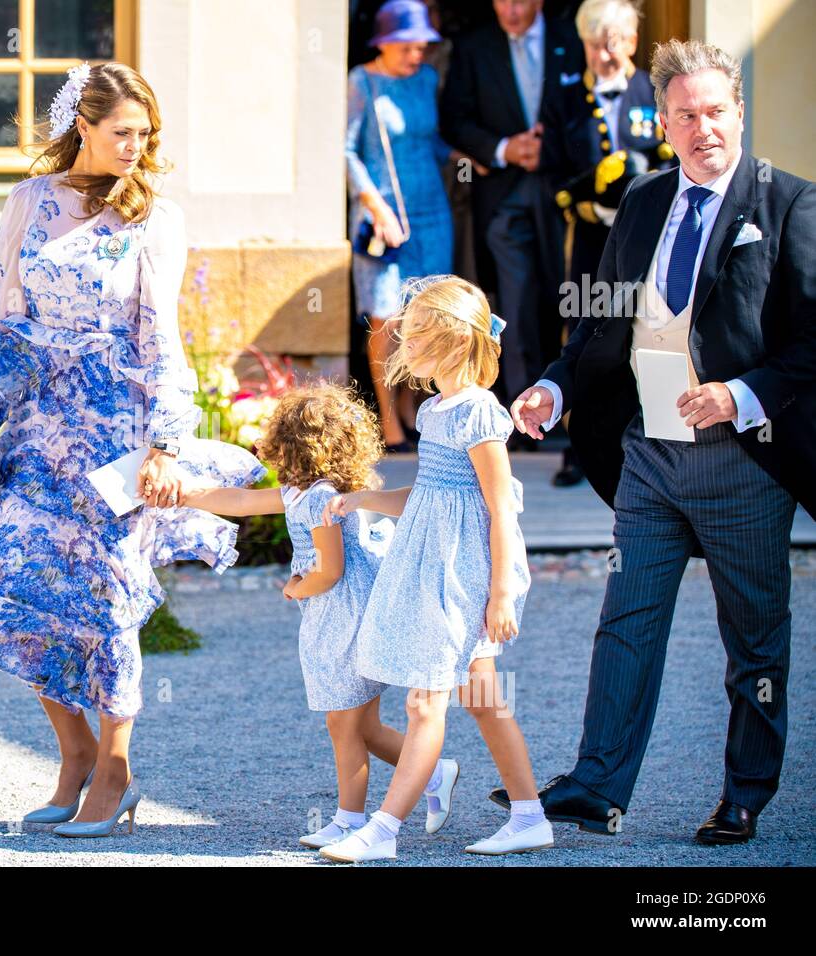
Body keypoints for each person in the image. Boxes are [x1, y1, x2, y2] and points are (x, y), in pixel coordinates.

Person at [509, 39, 816, 845]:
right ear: (666, 121)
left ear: (738, 112)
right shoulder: (644, 200)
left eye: (716, 111)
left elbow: (813, 343)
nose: (703, 128)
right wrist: (556, 384)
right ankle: (596, 787)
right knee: (626, 620)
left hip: (744, 461)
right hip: (647, 454)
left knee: (754, 641)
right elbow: (602, 321)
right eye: (686, 115)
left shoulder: (788, 204)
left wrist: (741, 393)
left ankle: (746, 793)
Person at [0, 63, 265, 838]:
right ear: (82, 126)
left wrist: (164, 442)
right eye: (122, 131)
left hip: (117, 427)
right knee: (19, 588)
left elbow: (163, 333)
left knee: (107, 599)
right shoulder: (29, 200)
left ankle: (116, 773)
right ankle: (75, 754)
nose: (135, 147)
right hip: (36, 422)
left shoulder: (157, 215)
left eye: (145, 135)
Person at [319, 277, 549, 863]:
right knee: (484, 699)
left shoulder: (478, 412)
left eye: (415, 333)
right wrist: (365, 499)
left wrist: (500, 592)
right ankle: (529, 817)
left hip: (468, 573)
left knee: (427, 703)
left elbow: (500, 507)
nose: (402, 341)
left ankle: (384, 830)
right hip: (434, 565)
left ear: (448, 338)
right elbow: (429, 494)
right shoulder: (434, 410)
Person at [179, 383, 460, 850]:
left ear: (290, 444)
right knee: (362, 724)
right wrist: (187, 496)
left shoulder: (316, 497)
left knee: (343, 723)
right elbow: (243, 502)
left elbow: (330, 571)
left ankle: (350, 819)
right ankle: (431, 773)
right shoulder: (302, 491)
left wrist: (295, 588)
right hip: (345, 609)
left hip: (342, 611)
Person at [540, 0, 676, 486]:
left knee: (651, 330)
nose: (605, 52)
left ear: (633, 42)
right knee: (589, 333)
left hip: (652, 241)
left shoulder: (655, 91)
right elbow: (552, 173)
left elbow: (674, 161)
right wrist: (592, 204)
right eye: (595, 44)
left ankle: (655, 439)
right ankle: (583, 448)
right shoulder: (564, 97)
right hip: (593, 242)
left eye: (614, 41)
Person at [440, 0, 583, 418]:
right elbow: (454, 119)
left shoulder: (570, 38)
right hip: (504, 195)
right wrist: (504, 149)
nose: (512, 10)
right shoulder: (473, 47)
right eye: (503, 0)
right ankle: (526, 410)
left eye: (521, 0)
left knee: (572, 296)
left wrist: (551, 148)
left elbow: (590, 107)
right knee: (515, 304)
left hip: (566, 193)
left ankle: (574, 406)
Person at [347, 0, 464, 451]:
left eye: (422, 47)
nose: (417, 56)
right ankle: (388, 414)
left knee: (428, 313)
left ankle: (416, 405)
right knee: (385, 316)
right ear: (385, 43)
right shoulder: (363, 81)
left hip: (431, 211)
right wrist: (374, 205)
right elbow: (347, 150)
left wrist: (462, 160)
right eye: (409, 48)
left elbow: (428, 140)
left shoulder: (427, 80)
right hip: (383, 220)